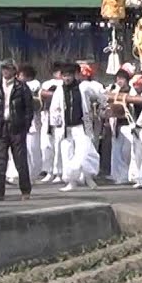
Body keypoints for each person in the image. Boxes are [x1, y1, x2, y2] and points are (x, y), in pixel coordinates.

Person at [50, 63, 103, 192]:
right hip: (66, 128)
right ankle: (71, 181)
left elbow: (100, 96)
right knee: (66, 154)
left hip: (82, 125)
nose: (67, 78)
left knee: (85, 153)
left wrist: (101, 108)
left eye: (69, 75)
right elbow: (54, 108)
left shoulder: (84, 87)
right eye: (64, 76)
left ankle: (88, 176)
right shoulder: (59, 90)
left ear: (75, 75)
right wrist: (56, 122)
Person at [0, 60, 35, 201]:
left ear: (15, 71)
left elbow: (29, 108)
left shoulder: (22, 87)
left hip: (17, 127)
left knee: (20, 160)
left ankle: (25, 190)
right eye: (3, 69)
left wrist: (25, 125)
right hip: (0, 127)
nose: (5, 71)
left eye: (8, 69)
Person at [39, 65, 65, 184]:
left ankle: (58, 172)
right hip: (47, 117)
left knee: (58, 146)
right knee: (46, 146)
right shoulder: (47, 83)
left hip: (60, 118)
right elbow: (42, 94)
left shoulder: (64, 85)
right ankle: (48, 171)